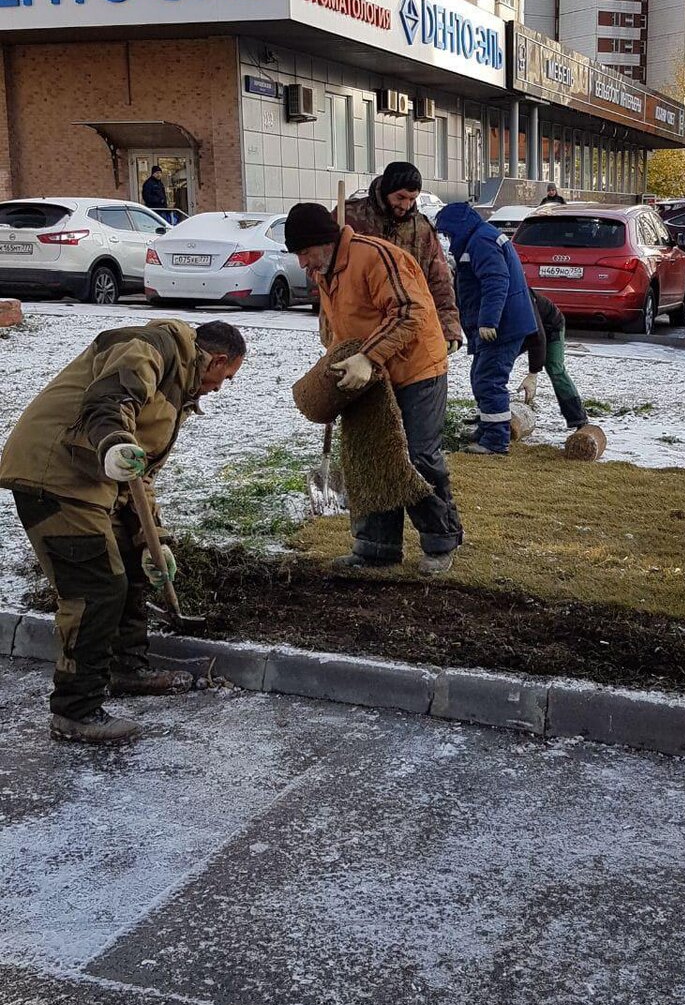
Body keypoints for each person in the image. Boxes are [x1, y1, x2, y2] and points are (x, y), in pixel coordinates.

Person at [0, 320, 246, 745]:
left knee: (133, 566)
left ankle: (125, 667)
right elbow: (109, 400)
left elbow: (138, 472)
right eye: (226, 378)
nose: (220, 389)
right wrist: (114, 442)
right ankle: (74, 710)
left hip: (92, 476)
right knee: (96, 588)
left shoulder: (177, 386)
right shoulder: (149, 347)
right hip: (54, 473)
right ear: (217, 359)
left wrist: (155, 541)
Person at [285, 203, 462, 575]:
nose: (302, 264)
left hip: (416, 369)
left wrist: (367, 356)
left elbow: (409, 311)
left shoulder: (376, 257)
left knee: (415, 456)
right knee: (369, 456)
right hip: (369, 374)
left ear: (322, 242)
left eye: (304, 252)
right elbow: (341, 327)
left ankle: (441, 540)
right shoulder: (326, 272)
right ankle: (376, 548)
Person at [435, 203, 536, 456]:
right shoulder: (480, 237)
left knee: (489, 381)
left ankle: (494, 440)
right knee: (480, 377)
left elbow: (496, 280)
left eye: (448, 233)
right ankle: (487, 426)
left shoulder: (480, 241)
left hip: (501, 326)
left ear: (459, 227)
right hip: (500, 324)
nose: (448, 239)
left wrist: (488, 321)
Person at [340, 161, 463, 353]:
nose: (406, 205)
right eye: (400, 197)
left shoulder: (422, 229)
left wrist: (449, 327)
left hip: (406, 328)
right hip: (357, 327)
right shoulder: (349, 217)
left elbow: (440, 281)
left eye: (412, 199)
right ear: (386, 189)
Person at [515, 289, 588, 430]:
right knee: (500, 361)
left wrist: (532, 375)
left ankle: (579, 418)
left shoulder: (523, 297)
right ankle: (490, 412)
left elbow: (538, 338)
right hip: (527, 330)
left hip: (551, 325)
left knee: (555, 368)